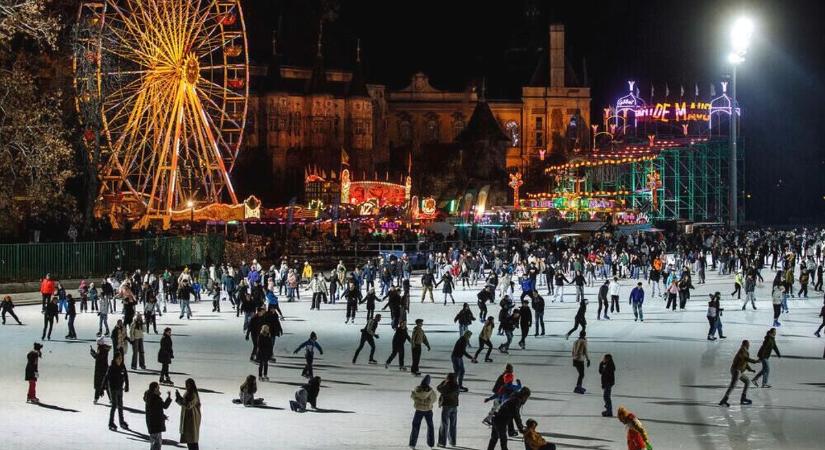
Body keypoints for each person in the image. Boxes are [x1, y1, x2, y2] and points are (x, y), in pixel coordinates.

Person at [719, 340, 758, 407]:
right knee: (733, 385)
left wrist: (750, 369)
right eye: (748, 344)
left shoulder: (745, 351)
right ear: (746, 345)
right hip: (736, 371)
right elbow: (745, 358)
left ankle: (743, 398)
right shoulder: (742, 351)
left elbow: (745, 362)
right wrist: (755, 361)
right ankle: (724, 400)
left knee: (747, 381)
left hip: (738, 371)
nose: (749, 345)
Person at [409, 374, 437, 450]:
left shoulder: (417, 389)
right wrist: (427, 403)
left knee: (415, 426)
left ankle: (412, 444)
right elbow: (434, 399)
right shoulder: (431, 391)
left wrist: (419, 401)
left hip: (419, 410)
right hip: (428, 410)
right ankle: (431, 444)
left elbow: (412, 396)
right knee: (430, 426)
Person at [103, 353, 130, 431]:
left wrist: (127, 385)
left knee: (120, 406)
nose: (120, 360)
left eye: (121, 358)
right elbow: (106, 378)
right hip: (113, 389)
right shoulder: (111, 367)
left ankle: (121, 422)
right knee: (114, 405)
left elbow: (126, 376)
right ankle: (111, 423)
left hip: (120, 388)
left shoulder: (122, 366)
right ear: (115, 359)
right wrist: (102, 389)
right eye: (118, 358)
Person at [144, 381, 173, 450]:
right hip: (156, 425)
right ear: (155, 389)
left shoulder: (149, 397)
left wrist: (163, 416)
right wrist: (169, 397)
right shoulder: (156, 398)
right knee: (157, 444)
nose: (159, 389)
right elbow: (165, 406)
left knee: (154, 443)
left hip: (151, 424)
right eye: (158, 388)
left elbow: (155, 411)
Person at [175, 378, 202, 450]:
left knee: (192, 440)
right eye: (186, 384)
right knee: (190, 440)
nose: (186, 386)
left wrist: (179, 398)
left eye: (188, 385)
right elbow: (184, 404)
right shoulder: (187, 393)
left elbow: (188, 405)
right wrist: (179, 397)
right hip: (187, 419)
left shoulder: (193, 394)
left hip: (192, 420)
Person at [437, 373, 460, 448]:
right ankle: (452, 442)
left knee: (444, 424)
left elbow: (438, 388)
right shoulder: (456, 386)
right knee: (453, 424)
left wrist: (444, 382)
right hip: (454, 406)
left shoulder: (446, 385)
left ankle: (442, 443)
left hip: (446, 407)